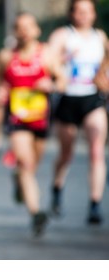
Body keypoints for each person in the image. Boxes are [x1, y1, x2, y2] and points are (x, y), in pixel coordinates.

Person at [0, 13, 65, 236]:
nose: (24, 31)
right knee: (26, 164)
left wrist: (51, 84)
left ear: (36, 30)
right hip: (17, 118)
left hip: (40, 118)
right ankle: (36, 212)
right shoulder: (7, 56)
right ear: (15, 31)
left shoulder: (46, 54)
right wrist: (0, 90)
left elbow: (62, 80)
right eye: (19, 27)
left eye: (29, 26)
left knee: (31, 166)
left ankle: (19, 181)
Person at [49, 0, 107, 225]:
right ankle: (57, 186)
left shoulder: (100, 37)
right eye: (79, 11)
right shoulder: (63, 35)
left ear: (93, 14)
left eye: (88, 11)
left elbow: (106, 61)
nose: (84, 15)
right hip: (68, 98)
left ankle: (95, 203)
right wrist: (60, 69)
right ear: (72, 14)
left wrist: (102, 77)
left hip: (92, 98)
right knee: (67, 154)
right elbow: (49, 58)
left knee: (96, 150)